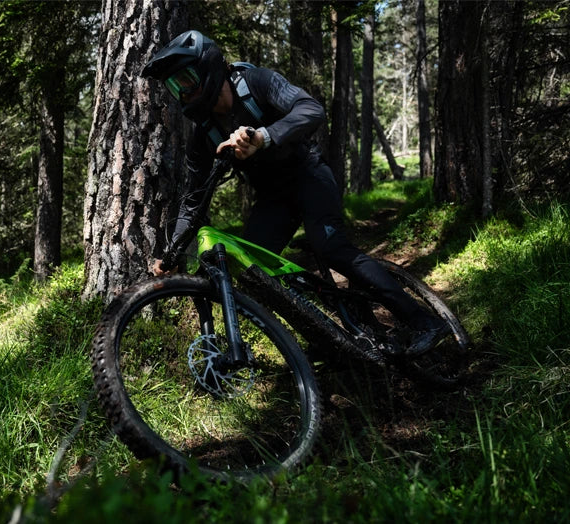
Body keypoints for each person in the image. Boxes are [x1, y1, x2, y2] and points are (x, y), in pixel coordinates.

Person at [142, 30, 447, 353]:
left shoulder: (256, 82)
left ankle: (426, 322)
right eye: (175, 87)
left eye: (186, 80)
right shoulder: (202, 136)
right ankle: (328, 335)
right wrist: (172, 253)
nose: (183, 92)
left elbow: (310, 109)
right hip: (273, 199)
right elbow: (193, 200)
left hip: (309, 176)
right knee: (252, 269)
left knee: (330, 248)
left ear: (208, 67)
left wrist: (263, 137)